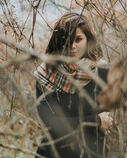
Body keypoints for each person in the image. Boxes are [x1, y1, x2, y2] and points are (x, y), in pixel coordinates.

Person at [34, 12, 113, 158]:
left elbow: (106, 120)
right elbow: (51, 125)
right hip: (54, 152)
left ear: (87, 40)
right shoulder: (45, 74)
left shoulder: (101, 71)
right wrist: (95, 121)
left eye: (78, 39)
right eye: (66, 40)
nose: (72, 46)